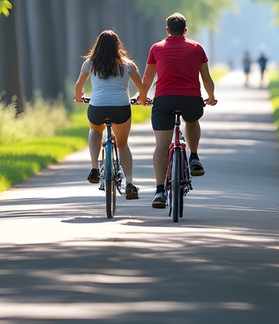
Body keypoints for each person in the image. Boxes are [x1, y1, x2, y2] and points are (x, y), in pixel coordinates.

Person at [137, 13, 218, 209]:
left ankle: (159, 191)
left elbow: (147, 79)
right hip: (191, 100)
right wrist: (211, 96)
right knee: (191, 120)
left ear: (167, 30)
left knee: (161, 147)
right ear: (185, 30)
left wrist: (142, 97)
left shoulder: (156, 48)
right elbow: (206, 78)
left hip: (164, 101)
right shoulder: (197, 48)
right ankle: (194, 157)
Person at [74, 30, 144, 200]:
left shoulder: (90, 63)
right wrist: (140, 99)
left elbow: (78, 87)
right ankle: (129, 183)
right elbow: (142, 89)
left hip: (97, 108)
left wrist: (79, 98)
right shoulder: (128, 65)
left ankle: (94, 168)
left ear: (97, 45)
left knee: (95, 131)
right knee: (122, 144)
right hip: (121, 109)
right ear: (117, 46)